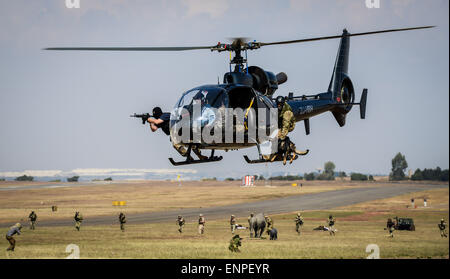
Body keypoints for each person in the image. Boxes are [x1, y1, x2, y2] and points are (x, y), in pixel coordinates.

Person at [273, 96, 308, 165]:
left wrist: (281, 137)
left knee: (279, 137)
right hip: (280, 124)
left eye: (280, 104)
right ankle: (277, 153)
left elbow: (285, 126)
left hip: (288, 125)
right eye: (278, 104)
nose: (279, 105)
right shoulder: (276, 108)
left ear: (283, 104)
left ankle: (281, 153)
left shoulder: (287, 112)